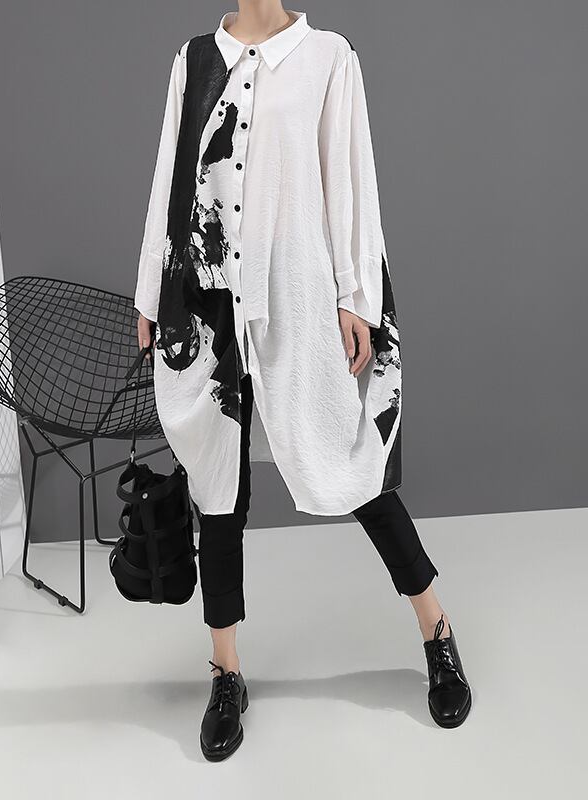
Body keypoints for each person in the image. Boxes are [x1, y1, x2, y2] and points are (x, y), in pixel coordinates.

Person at [134, 4, 471, 761]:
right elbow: (170, 180)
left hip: (299, 292)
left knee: (352, 464)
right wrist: (150, 293)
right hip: (209, 301)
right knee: (218, 488)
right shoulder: (194, 59)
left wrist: (356, 297)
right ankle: (226, 674)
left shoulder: (328, 58)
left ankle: (437, 629)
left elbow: (350, 183)